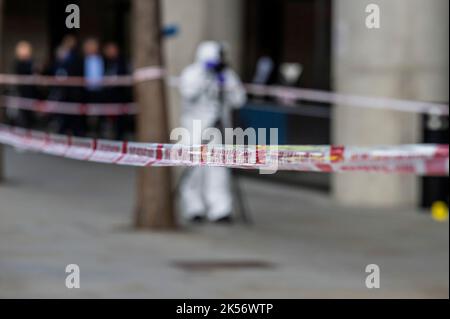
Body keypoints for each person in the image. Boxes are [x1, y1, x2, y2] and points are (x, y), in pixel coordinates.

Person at [178, 41, 247, 223]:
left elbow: (239, 100)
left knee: (218, 171)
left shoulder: (226, 75)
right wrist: (205, 77)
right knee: (194, 172)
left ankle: (220, 210)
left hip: (218, 130)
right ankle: (194, 208)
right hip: (194, 129)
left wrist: (227, 85)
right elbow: (188, 94)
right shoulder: (192, 73)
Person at [102, 42, 132, 140]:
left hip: (120, 94)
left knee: (120, 117)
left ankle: (121, 134)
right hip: (108, 95)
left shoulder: (122, 61)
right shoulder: (104, 62)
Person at [12, 41, 37, 128]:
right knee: (23, 110)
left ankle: (30, 125)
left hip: (30, 90)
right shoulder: (19, 63)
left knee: (29, 109)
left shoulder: (29, 61)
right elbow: (23, 72)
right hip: (22, 90)